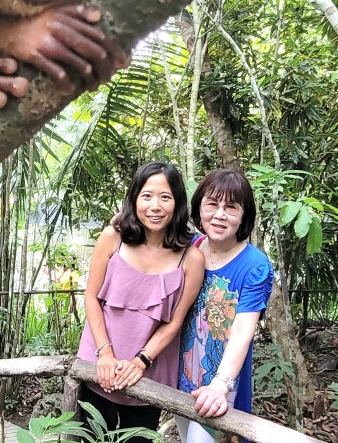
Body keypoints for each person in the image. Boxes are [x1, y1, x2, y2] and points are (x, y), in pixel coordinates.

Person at [77, 161, 206, 433]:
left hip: (149, 374)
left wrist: (141, 361)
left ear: (178, 203)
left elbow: (175, 322)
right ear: (134, 199)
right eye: (146, 196)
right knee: (90, 437)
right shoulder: (113, 238)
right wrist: (105, 355)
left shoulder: (191, 259)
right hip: (99, 365)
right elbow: (91, 298)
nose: (155, 206)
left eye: (165, 197)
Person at [176, 169, 275, 443]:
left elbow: (244, 329)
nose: (220, 214)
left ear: (243, 215)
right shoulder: (190, 247)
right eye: (212, 204)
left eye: (231, 207)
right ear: (199, 208)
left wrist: (221, 385)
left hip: (221, 384)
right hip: (179, 376)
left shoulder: (255, 265)